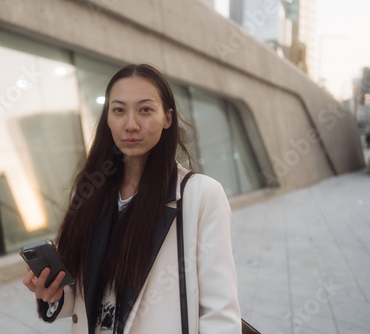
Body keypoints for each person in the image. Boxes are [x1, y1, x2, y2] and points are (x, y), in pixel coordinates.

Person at [23, 64, 241, 333]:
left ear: (167, 118)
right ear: (108, 118)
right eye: (119, 110)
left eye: (145, 110)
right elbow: (85, 294)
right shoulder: (90, 191)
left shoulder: (201, 195)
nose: (131, 125)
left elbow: (220, 311)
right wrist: (54, 294)